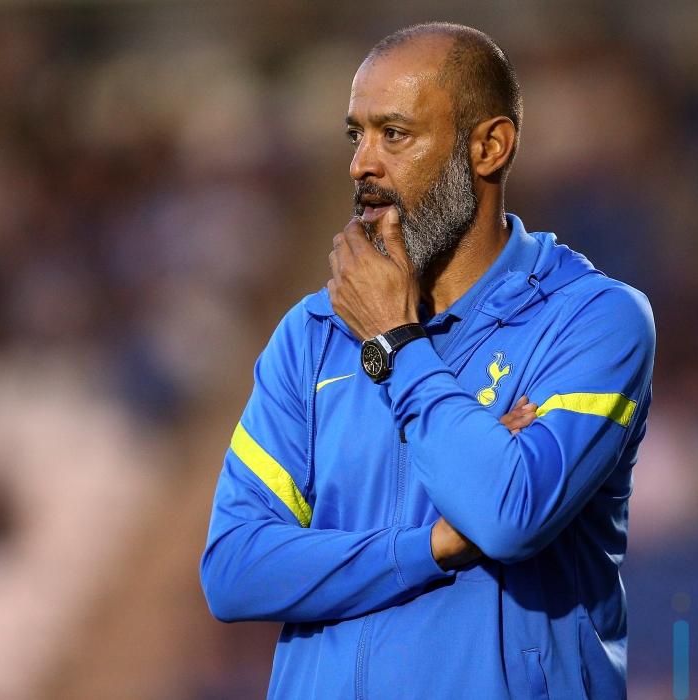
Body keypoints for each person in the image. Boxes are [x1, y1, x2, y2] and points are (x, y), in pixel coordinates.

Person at [201, 22, 655, 699]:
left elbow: (508, 515)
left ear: (489, 147)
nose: (361, 165)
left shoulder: (592, 320)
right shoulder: (311, 335)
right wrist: (428, 547)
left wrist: (393, 339)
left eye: (395, 134)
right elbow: (234, 570)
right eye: (356, 135)